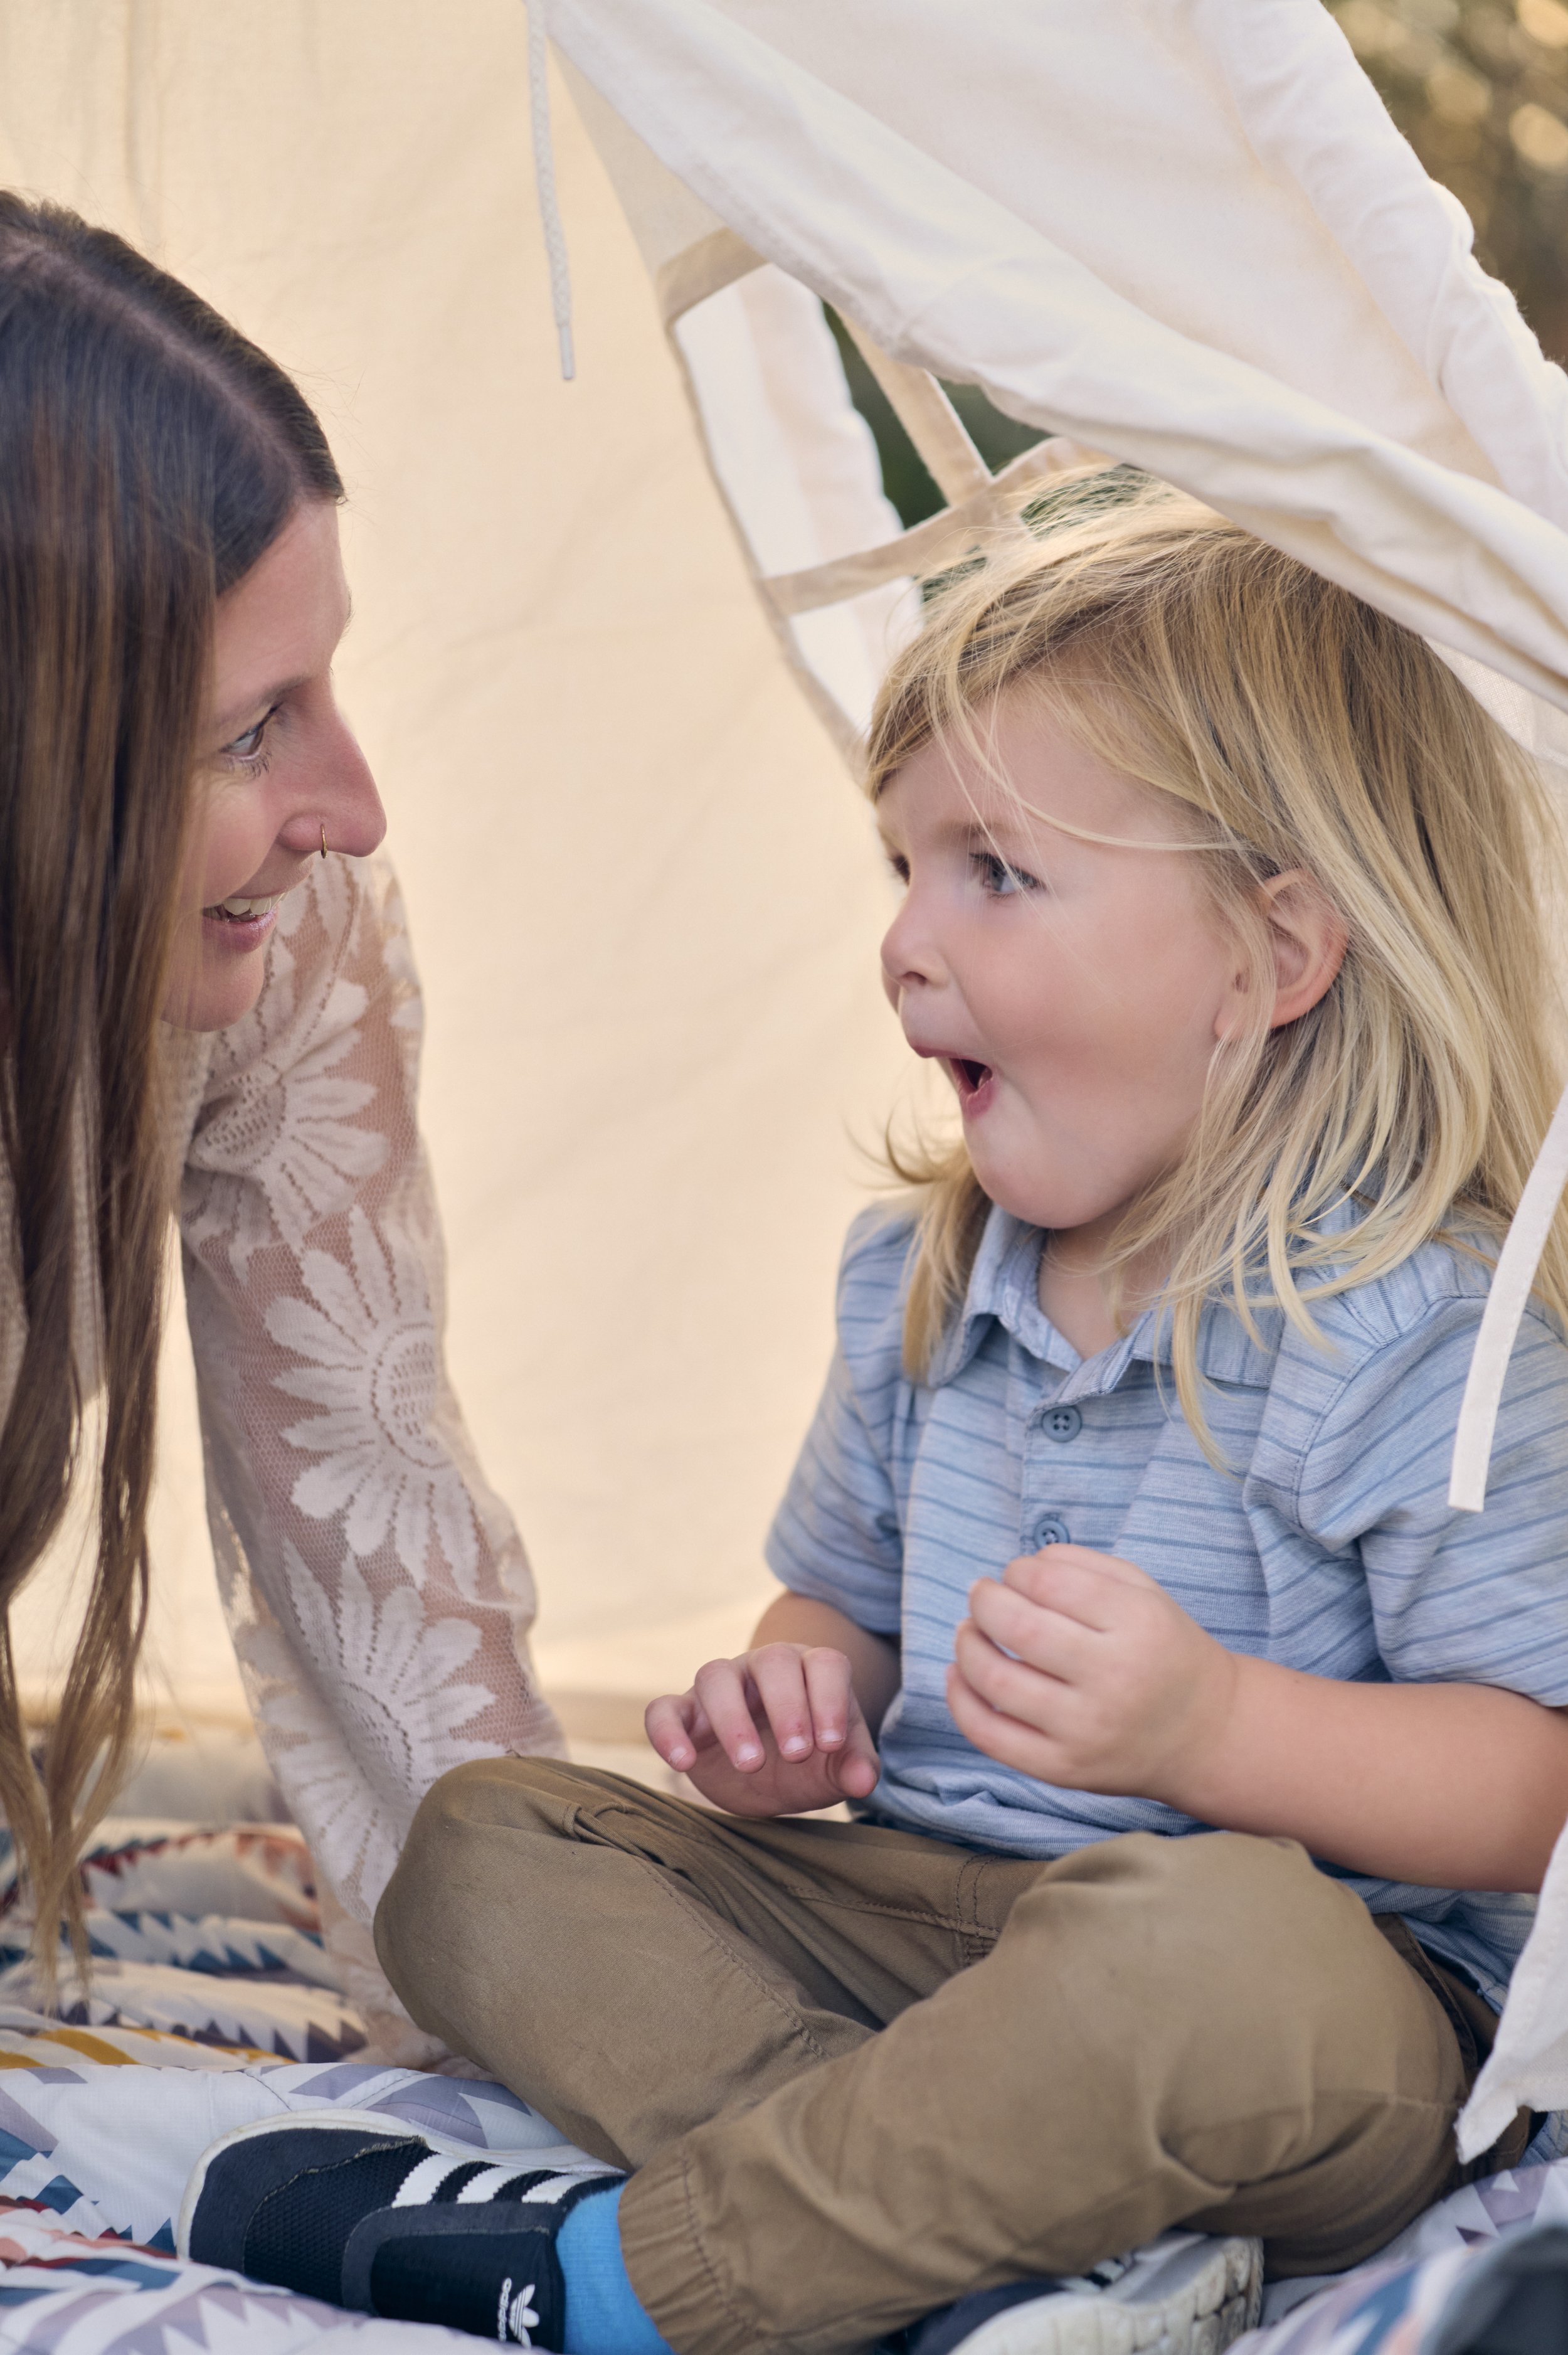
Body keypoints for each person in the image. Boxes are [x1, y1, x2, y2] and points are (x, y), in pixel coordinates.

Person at [183, 477, 1568, 2355]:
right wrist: (788, 1700)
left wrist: (1212, 1722)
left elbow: (1529, 1786)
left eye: (993, 871)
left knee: (1200, 1951)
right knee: (488, 1844)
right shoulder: (926, 1278)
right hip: (923, 1924)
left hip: (1306, 2005)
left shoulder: (1409, 1324)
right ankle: (977, 2245)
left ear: (1272, 956)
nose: (907, 943)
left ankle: (653, 2281)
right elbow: (830, 1605)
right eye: (902, 869)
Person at [0, 194, 559, 2050]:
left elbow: (378, 1569)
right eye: (255, 730)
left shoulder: (286, 928)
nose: (355, 802)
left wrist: (606, 2037)